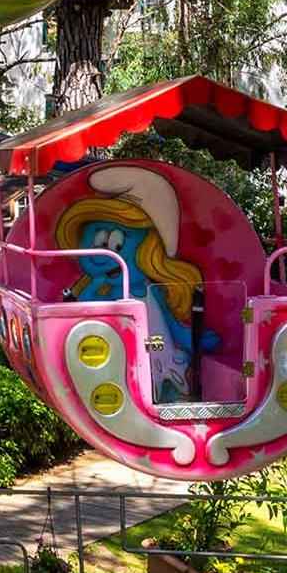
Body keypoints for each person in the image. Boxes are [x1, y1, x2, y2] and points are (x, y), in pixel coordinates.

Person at [53, 165, 218, 403]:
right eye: (98, 244)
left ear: (148, 251)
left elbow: (169, 321)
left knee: (170, 390)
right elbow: (85, 309)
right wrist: (92, 288)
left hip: (165, 359)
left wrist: (190, 339)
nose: (101, 255)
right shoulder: (106, 292)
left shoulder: (152, 291)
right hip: (123, 363)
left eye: (117, 246)